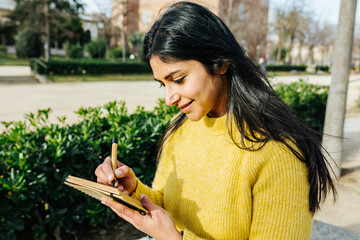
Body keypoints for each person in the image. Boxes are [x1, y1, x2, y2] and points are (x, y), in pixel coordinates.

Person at [95, 2, 336, 239]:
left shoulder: (277, 154)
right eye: (162, 84)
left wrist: (176, 238)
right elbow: (167, 206)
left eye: (178, 80)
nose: (169, 98)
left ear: (220, 64)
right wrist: (133, 190)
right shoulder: (180, 128)